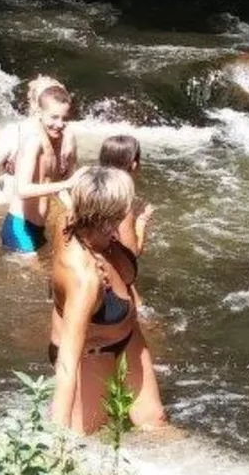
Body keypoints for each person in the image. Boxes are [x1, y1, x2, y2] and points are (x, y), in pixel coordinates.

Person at [47, 166, 168, 435]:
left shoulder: (81, 223)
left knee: (156, 423)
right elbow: (68, 361)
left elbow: (66, 200)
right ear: (110, 215)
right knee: (89, 440)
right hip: (90, 353)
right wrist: (57, 442)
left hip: (128, 338)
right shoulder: (85, 279)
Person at [0, 79, 77, 254]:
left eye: (64, 118)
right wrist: (66, 184)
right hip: (19, 227)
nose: (59, 124)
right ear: (40, 112)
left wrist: (74, 210)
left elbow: (54, 184)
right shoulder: (33, 141)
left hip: (38, 229)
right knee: (40, 278)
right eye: (54, 117)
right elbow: (22, 190)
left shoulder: (58, 138)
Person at [0, 74, 64, 204]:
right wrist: (2, 201)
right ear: (35, 104)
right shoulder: (14, 132)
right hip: (15, 208)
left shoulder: (63, 134)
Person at [98, 133, 153, 254]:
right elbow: (132, 253)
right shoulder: (121, 200)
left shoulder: (93, 187)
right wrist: (142, 220)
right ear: (134, 165)